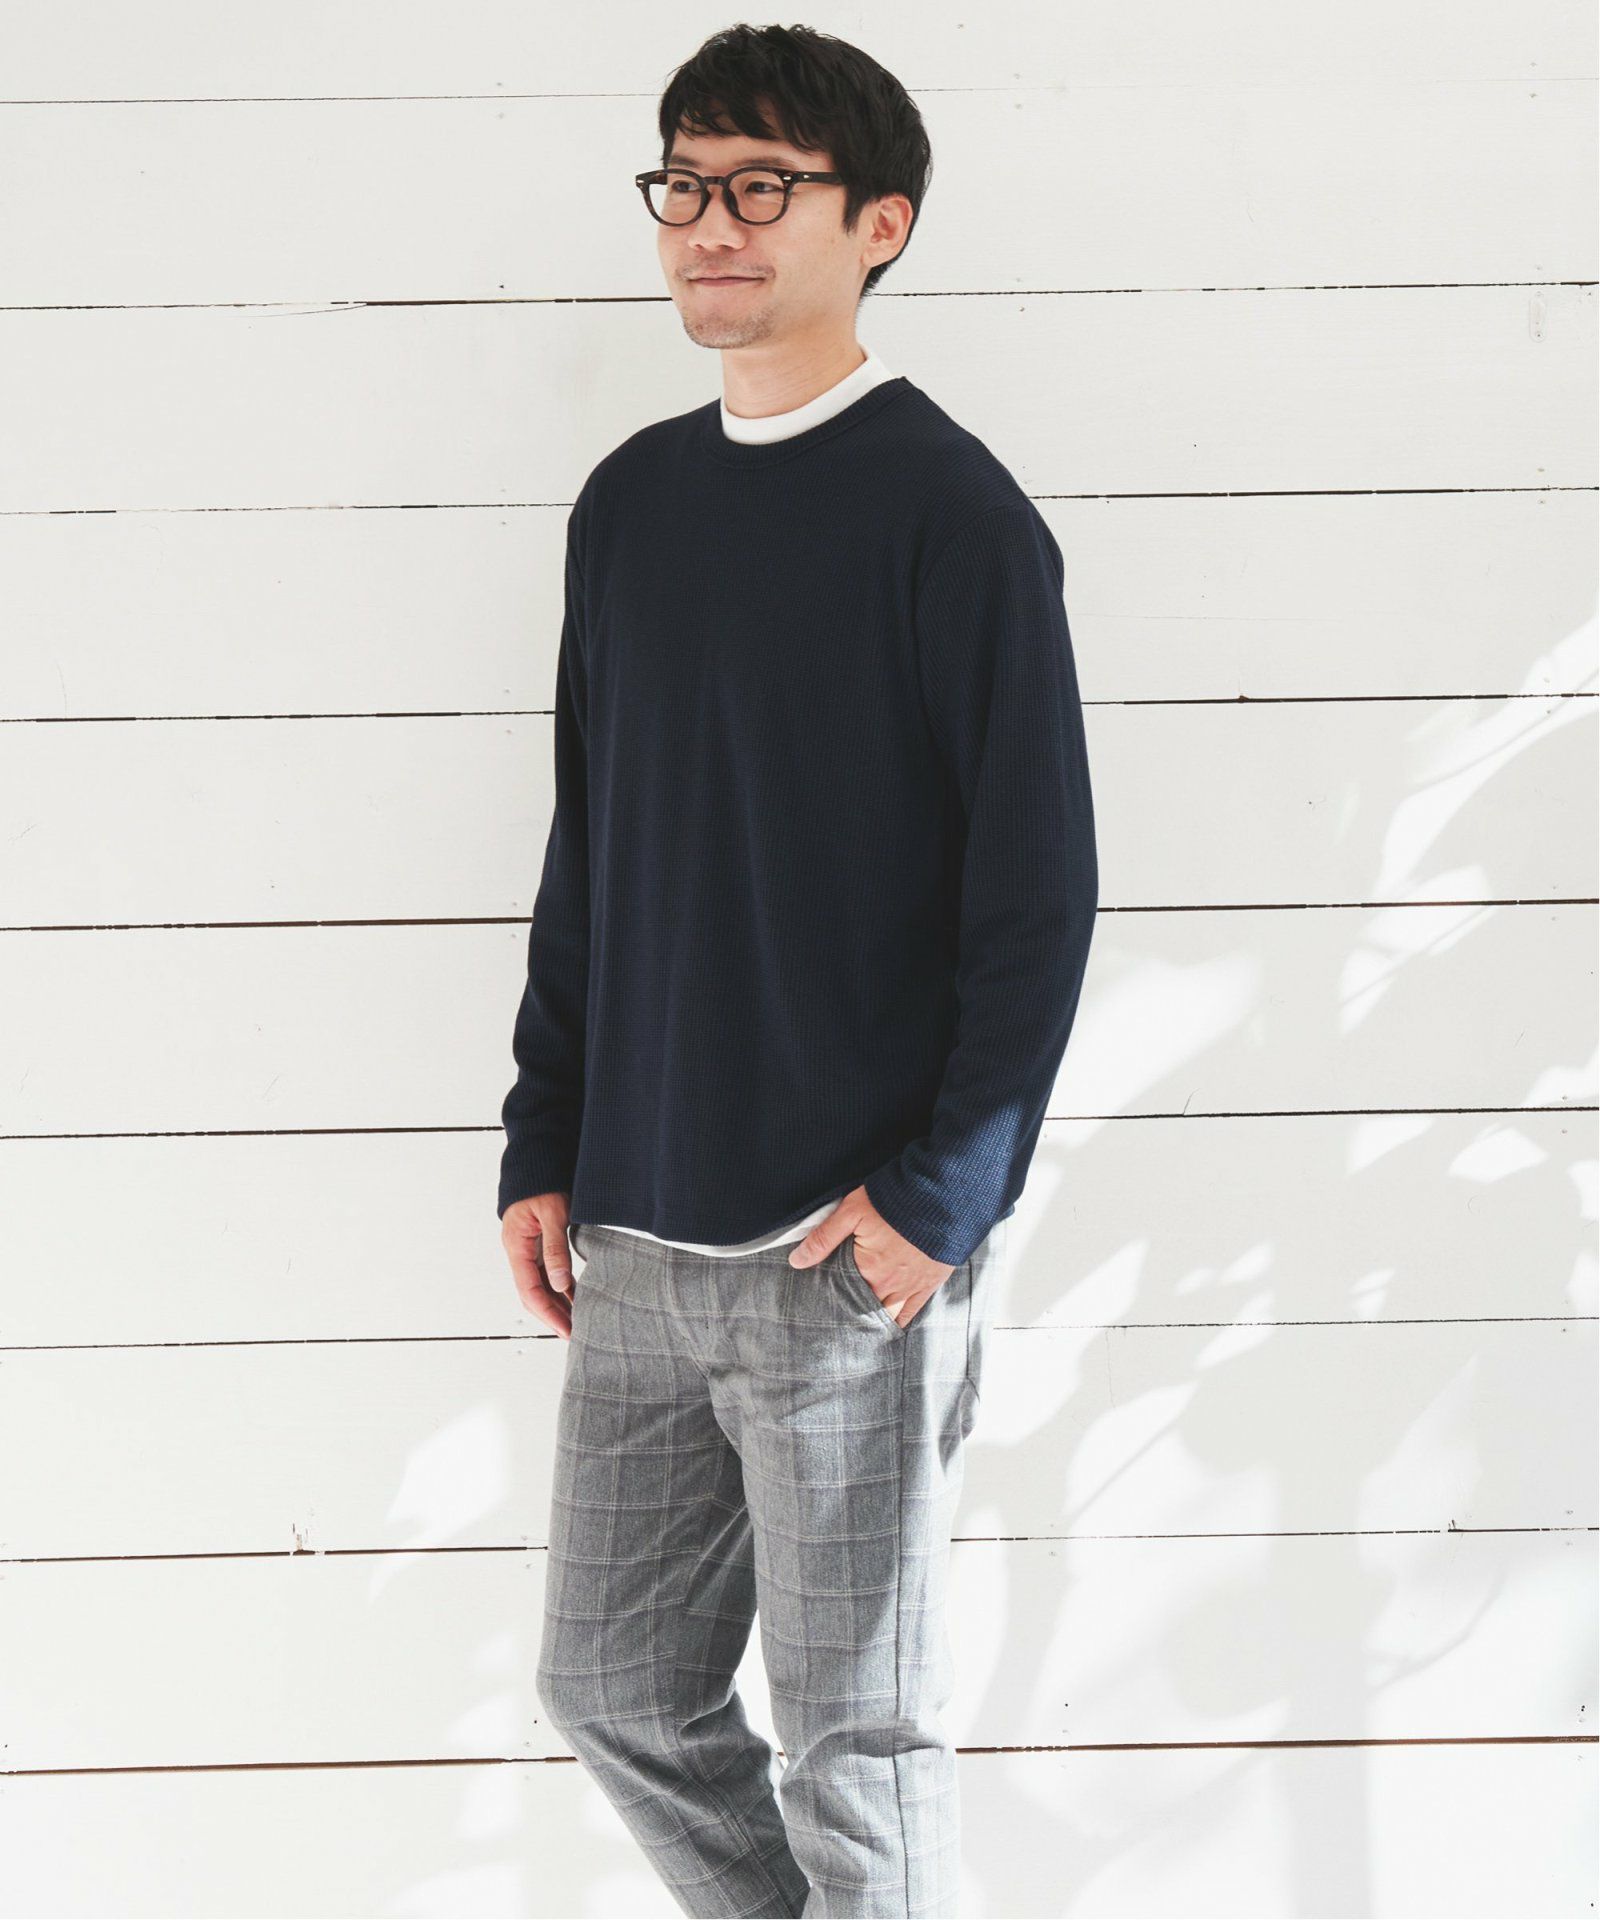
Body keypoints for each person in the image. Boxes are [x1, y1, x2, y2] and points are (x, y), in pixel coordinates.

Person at [496, 24, 1098, 1917]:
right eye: (685, 183)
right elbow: (596, 846)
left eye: (762, 187)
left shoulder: (953, 516)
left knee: (859, 1744)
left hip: (847, 1257)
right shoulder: (632, 505)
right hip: (638, 1235)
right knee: (610, 1688)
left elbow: (1038, 898)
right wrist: (543, 1136)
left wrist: (939, 1203)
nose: (710, 224)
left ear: (879, 225)